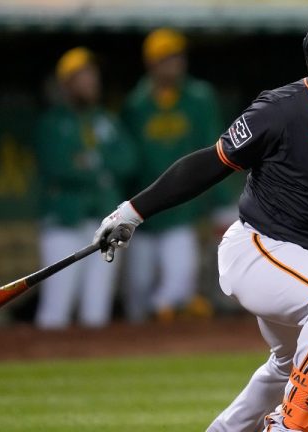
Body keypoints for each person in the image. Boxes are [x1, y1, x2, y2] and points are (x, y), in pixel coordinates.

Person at [94, 12, 308, 432]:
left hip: (306, 263)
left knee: (286, 364)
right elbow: (212, 163)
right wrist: (132, 213)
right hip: (257, 250)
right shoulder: (281, 109)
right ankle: (288, 424)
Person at [120, 28, 223, 323]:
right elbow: (129, 161)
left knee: (177, 287)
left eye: (178, 56)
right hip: (145, 210)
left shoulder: (199, 97)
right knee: (138, 292)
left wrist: (210, 205)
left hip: (182, 212)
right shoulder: (136, 104)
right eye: (166, 58)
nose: (174, 63)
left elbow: (214, 152)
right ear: (151, 63)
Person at [34, 47, 136, 329]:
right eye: (82, 76)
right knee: (57, 307)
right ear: (66, 84)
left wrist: (90, 162)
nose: (91, 81)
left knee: (97, 310)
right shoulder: (52, 123)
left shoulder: (107, 120)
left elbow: (128, 160)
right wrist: (101, 168)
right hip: (64, 222)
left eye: (92, 75)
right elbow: (58, 167)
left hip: (104, 223)